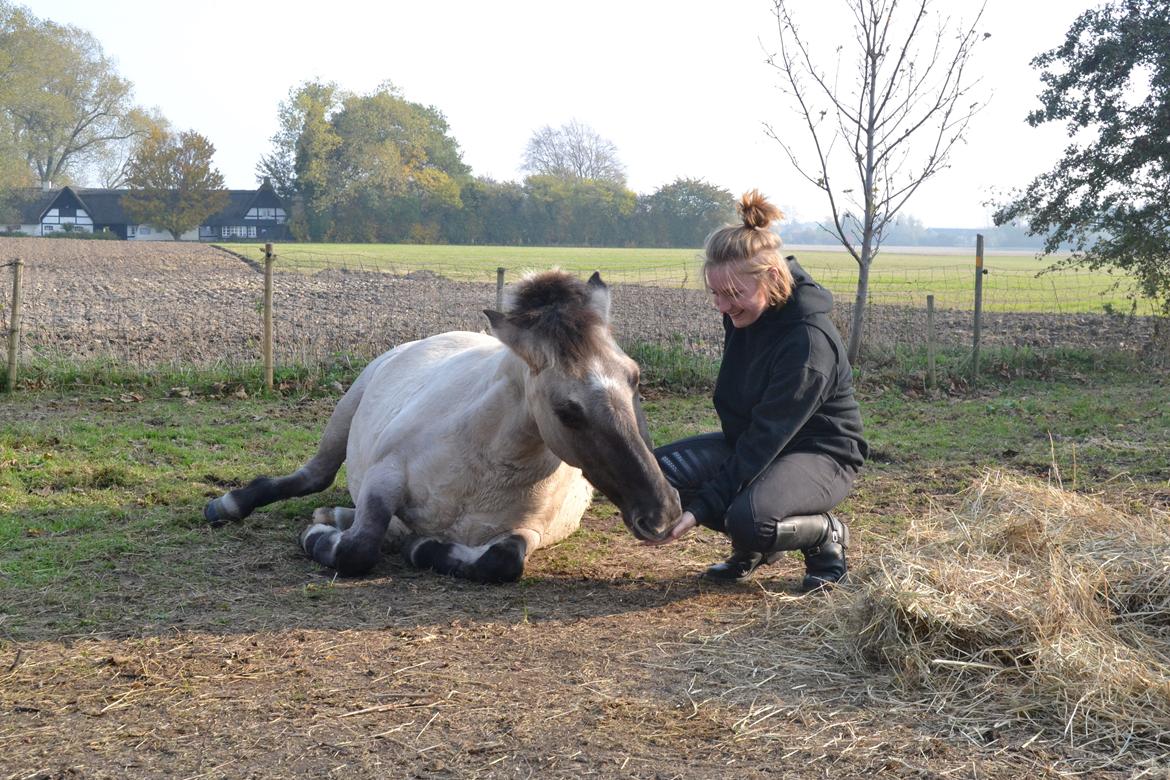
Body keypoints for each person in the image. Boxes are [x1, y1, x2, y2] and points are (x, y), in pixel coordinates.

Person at [648, 190, 867, 591]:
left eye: (732, 294)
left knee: (749, 520)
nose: (722, 306)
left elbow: (767, 437)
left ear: (772, 277)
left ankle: (822, 536)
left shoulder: (808, 342)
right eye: (715, 293)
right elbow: (751, 434)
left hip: (822, 455)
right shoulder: (746, 315)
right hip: (757, 444)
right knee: (653, 478)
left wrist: (699, 510)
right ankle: (756, 544)